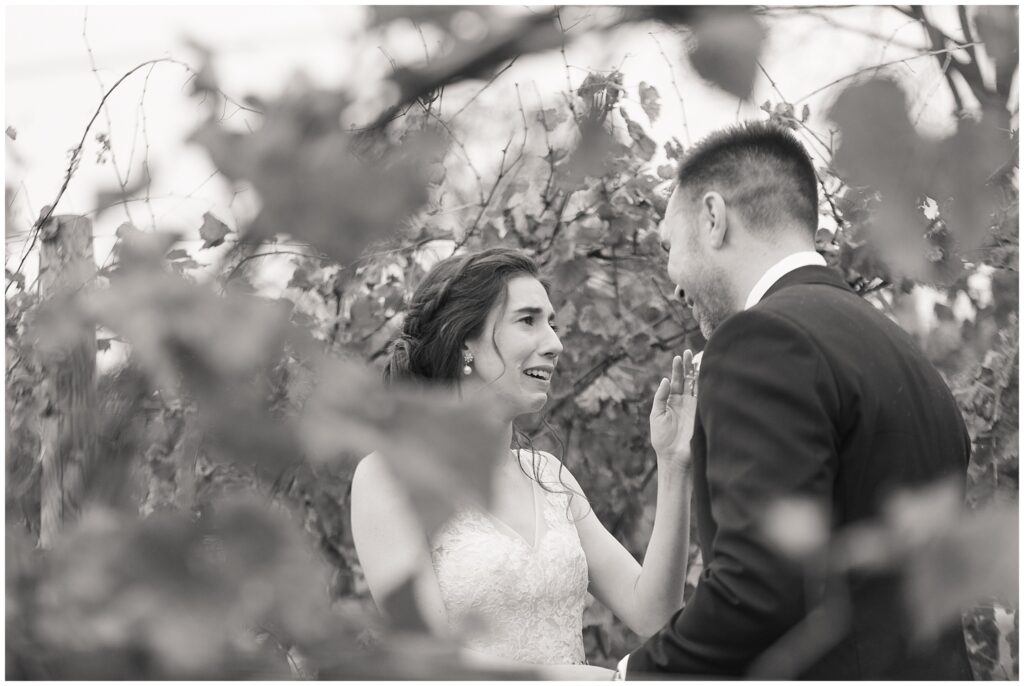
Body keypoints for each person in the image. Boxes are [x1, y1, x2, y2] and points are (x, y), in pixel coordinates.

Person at [617, 121, 974, 679]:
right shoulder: (901, 352)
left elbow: (760, 587)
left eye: (669, 246)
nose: (673, 279)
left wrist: (633, 676)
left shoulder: (762, 339)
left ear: (712, 218)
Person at [350, 247, 697, 678]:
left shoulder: (549, 476)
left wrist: (674, 463)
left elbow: (654, 615)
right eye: (528, 320)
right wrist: (587, 680)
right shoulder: (388, 476)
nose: (554, 344)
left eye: (551, 324)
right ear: (464, 342)